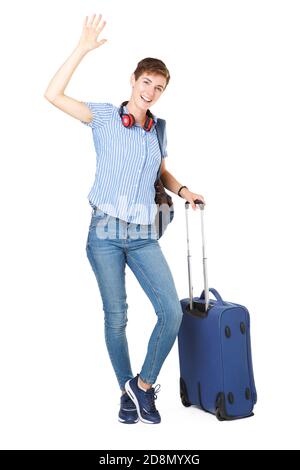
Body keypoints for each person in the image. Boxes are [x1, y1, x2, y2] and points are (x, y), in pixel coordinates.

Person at [44, 13, 205, 425]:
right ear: (133, 81)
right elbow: (53, 94)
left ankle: (143, 386)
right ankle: (125, 393)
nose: (151, 91)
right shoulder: (102, 116)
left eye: (159, 87)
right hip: (105, 232)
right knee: (117, 317)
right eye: (146, 83)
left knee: (171, 312)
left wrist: (183, 191)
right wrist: (82, 47)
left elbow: (162, 173)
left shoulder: (157, 129)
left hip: (143, 234)